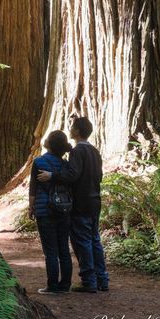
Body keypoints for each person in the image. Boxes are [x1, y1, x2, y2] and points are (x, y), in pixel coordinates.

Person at [38, 116, 109, 293]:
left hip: (81, 203)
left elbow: (73, 175)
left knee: (83, 241)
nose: (70, 128)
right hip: (95, 201)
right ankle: (102, 279)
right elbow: (99, 177)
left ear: (77, 131)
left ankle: (89, 282)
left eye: (72, 126)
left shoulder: (77, 151)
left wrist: (52, 176)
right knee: (95, 240)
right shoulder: (94, 151)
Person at [29, 130, 73, 295]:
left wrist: (31, 207)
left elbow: (33, 187)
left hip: (45, 210)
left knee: (51, 251)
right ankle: (66, 285)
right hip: (64, 210)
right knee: (63, 249)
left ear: (50, 144)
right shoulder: (66, 165)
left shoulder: (39, 162)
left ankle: (53, 286)